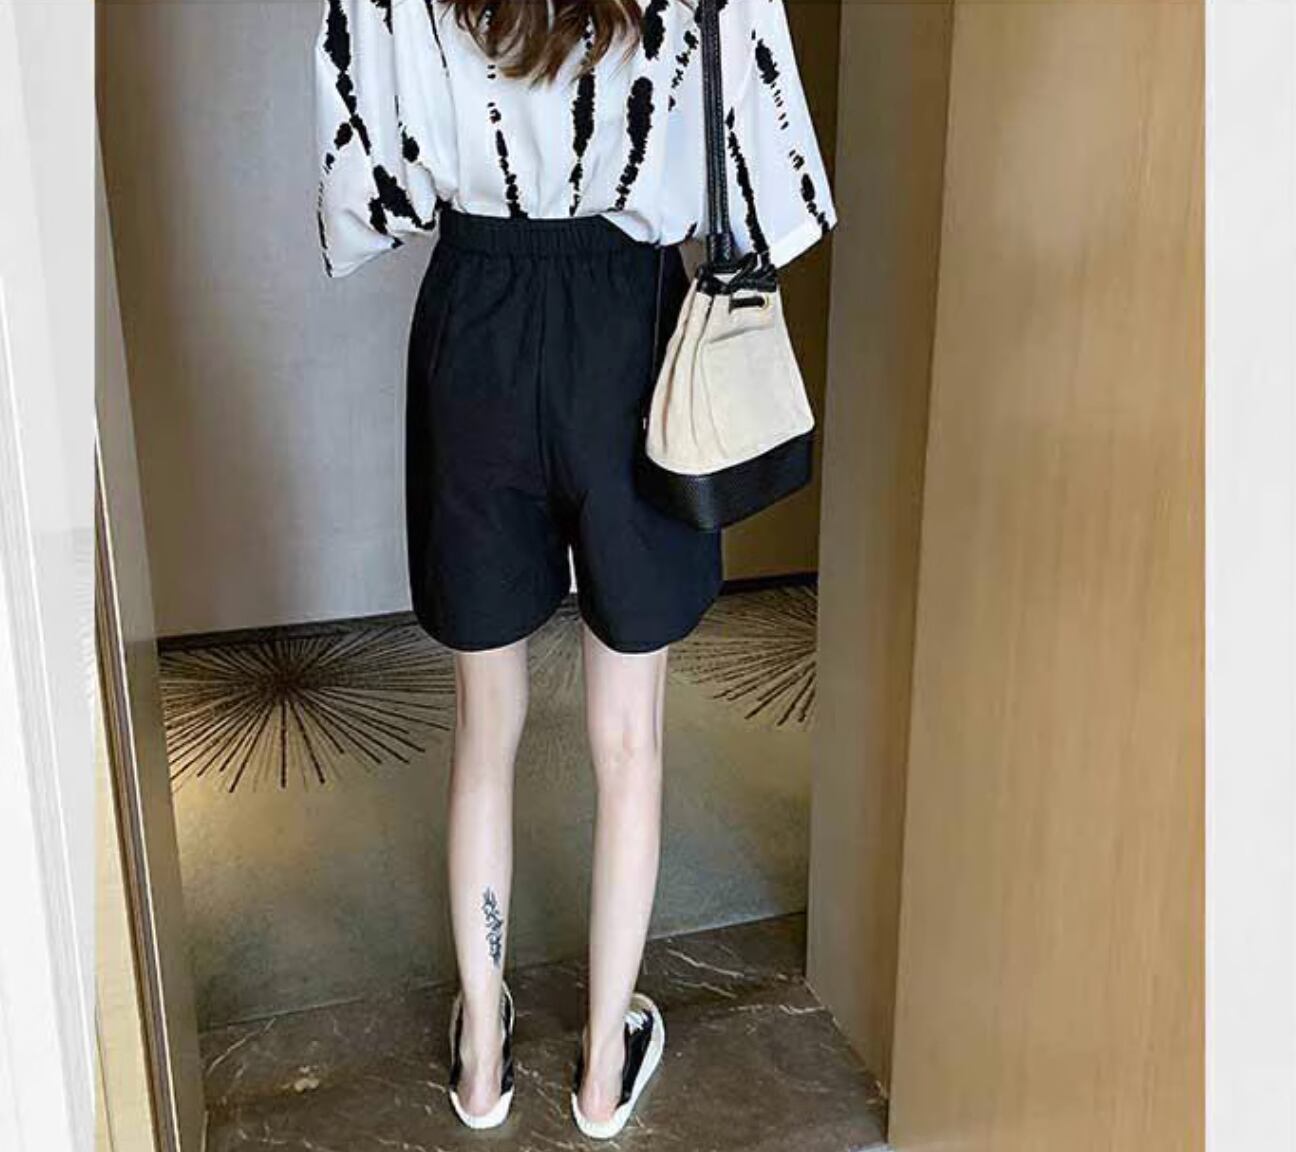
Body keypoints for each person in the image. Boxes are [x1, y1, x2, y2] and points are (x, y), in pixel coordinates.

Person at [315, 0, 835, 1138]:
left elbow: (368, 183)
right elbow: (768, 178)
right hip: (627, 328)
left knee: (484, 727)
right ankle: (602, 1070)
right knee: (630, 738)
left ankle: (483, 1063)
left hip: (476, 322)